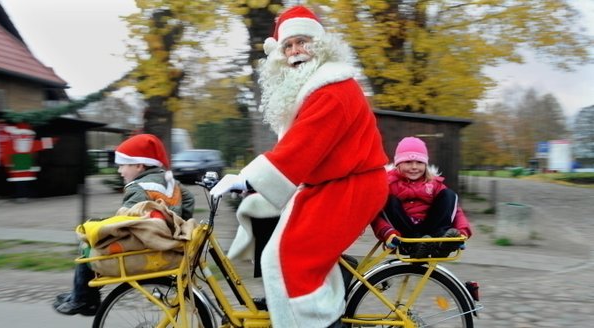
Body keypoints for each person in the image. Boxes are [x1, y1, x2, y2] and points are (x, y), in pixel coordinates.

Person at [209, 5, 389, 328]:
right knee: (260, 212)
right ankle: (304, 299)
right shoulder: (310, 90)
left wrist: (246, 178)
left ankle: (312, 320)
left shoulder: (333, 89)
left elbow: (301, 149)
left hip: (351, 186)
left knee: (284, 259)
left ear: (320, 45)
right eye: (288, 46)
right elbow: (296, 153)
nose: (294, 52)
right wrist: (251, 185)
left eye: (302, 42)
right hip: (329, 183)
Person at [53, 134, 195, 315]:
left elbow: (127, 220)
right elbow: (189, 200)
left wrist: (104, 229)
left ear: (139, 165)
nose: (120, 171)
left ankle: (84, 299)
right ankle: (78, 294)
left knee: (87, 243)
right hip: (166, 240)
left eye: (122, 165)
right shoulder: (171, 182)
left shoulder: (138, 187)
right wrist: (179, 220)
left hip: (146, 244)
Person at [370, 136, 472, 258]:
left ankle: (442, 243)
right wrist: (388, 233)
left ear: (425, 164)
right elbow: (376, 217)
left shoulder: (433, 184)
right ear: (398, 164)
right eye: (408, 162)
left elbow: (456, 211)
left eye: (419, 162)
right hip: (404, 235)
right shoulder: (389, 184)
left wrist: (462, 231)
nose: (414, 167)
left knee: (449, 195)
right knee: (387, 200)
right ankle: (416, 246)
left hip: (431, 233)